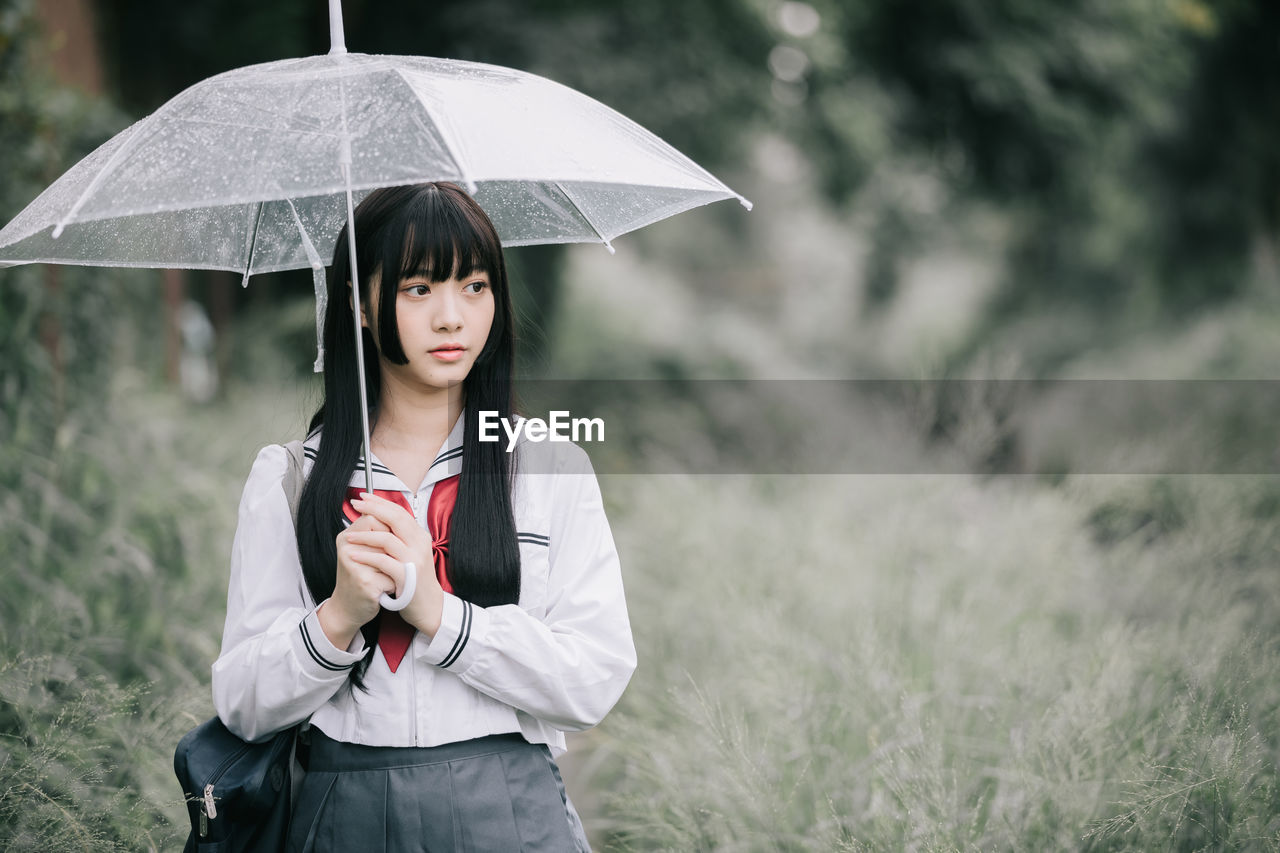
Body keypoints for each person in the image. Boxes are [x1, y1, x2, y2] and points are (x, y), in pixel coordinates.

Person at [210, 182, 636, 851]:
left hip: (510, 812)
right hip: (342, 809)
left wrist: (441, 612)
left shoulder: (548, 467)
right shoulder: (291, 478)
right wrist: (337, 617)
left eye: (474, 286)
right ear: (358, 304)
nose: (452, 317)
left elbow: (594, 676)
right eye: (417, 289)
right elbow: (242, 698)